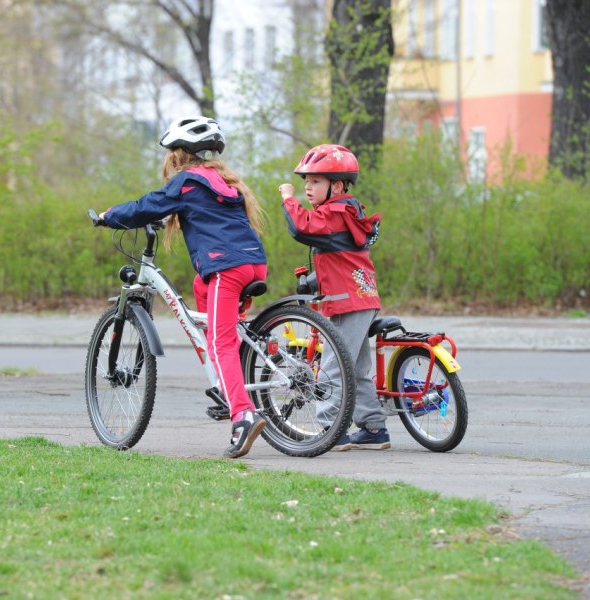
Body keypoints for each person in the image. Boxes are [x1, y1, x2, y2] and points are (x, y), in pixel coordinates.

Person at [96, 116, 268, 458]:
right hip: (252, 263)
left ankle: (243, 416)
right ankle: (227, 386)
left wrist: (110, 215)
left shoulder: (187, 182)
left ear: (176, 156)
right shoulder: (223, 180)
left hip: (226, 267)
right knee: (202, 293)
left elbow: (146, 206)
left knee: (221, 343)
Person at [278, 143, 389, 450]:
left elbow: (301, 227)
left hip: (349, 301)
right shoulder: (346, 212)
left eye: (315, 182)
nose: (307, 188)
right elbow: (341, 257)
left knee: (333, 365)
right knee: (355, 367)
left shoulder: (336, 212)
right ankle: (373, 427)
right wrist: (313, 281)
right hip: (356, 297)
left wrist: (288, 199)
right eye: (305, 183)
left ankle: (331, 428)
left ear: (337, 185)